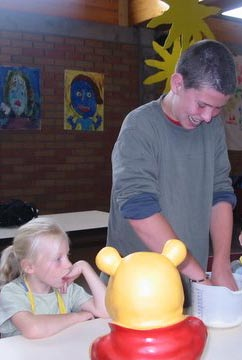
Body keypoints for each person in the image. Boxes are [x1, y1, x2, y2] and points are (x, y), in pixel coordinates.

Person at [105, 39, 238, 303]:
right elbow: (140, 210)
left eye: (218, 108)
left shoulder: (211, 128)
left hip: (191, 281)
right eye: (202, 105)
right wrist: (198, 275)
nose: (209, 117)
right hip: (137, 287)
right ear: (177, 84)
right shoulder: (140, 127)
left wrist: (221, 264)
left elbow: (220, 194)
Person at [0, 217, 108, 338]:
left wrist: (84, 267)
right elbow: (33, 329)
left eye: (67, 255)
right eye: (58, 259)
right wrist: (77, 316)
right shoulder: (12, 293)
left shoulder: (67, 289)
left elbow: (106, 311)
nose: (69, 264)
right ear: (29, 267)